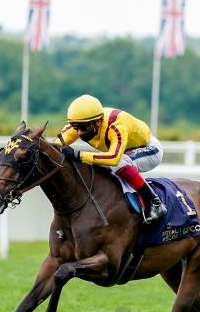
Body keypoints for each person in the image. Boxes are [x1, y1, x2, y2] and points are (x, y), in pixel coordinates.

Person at [57, 94, 167, 224]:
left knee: (119, 163)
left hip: (150, 149)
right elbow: (55, 145)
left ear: (98, 122)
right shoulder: (84, 121)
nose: (79, 132)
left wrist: (78, 154)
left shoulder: (115, 125)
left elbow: (114, 158)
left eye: (84, 128)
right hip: (124, 151)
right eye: (76, 128)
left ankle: (154, 202)